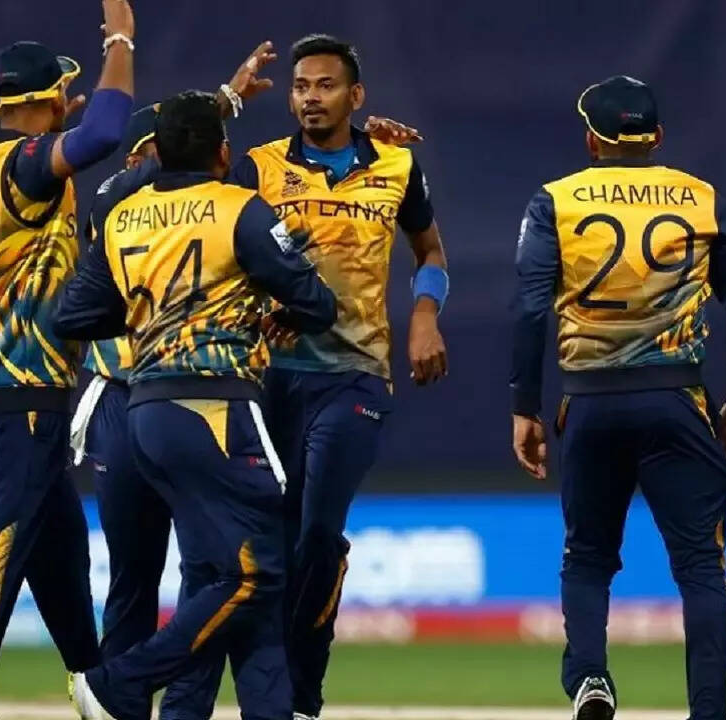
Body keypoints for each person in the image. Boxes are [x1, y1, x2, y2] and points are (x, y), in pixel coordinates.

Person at [54, 90, 337, 720]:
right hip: (217, 407)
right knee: (257, 573)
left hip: (144, 411)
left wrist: (150, 312)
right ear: (223, 153)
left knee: (218, 573)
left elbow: (73, 315)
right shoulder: (240, 208)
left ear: (156, 153)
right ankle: (118, 682)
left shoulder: (124, 217)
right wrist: (269, 306)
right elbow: (317, 303)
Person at [509, 75, 726, 720]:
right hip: (677, 401)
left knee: (588, 557)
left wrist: (525, 407)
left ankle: (591, 678)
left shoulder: (555, 201)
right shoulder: (700, 198)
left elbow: (530, 310)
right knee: (701, 564)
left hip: (589, 403)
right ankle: (709, 710)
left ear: (591, 139)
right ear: (658, 137)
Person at [224, 34, 450, 720]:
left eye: (325, 86)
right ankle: (269, 693)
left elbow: (430, 251)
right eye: (300, 87)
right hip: (268, 378)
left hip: (355, 374)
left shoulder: (397, 164)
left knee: (319, 531)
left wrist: (425, 315)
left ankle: (299, 693)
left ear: (356, 96)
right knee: (271, 539)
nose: (310, 98)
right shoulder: (259, 167)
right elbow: (218, 244)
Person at [0, 2, 136, 717]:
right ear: (49, 99)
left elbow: (62, 148)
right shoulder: (26, 167)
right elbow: (106, 132)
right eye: (61, 93)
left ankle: (97, 688)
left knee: (59, 551)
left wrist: (55, 132)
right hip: (20, 388)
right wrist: (121, 39)